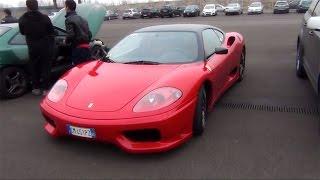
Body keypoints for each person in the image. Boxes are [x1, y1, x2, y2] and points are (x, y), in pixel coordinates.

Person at [19, 0, 55, 96]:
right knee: (46, 67)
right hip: (44, 46)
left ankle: (36, 88)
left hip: (32, 46)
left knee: (34, 67)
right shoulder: (45, 18)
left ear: (27, 7)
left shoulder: (23, 19)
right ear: (37, 6)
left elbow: (22, 32)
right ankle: (46, 89)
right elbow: (51, 31)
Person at [64, 0, 92, 65]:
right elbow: (90, 34)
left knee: (78, 70)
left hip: (78, 50)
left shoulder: (68, 19)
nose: (64, 8)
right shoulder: (83, 19)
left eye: (65, 6)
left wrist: (65, 41)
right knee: (86, 69)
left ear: (67, 7)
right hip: (87, 49)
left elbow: (70, 35)